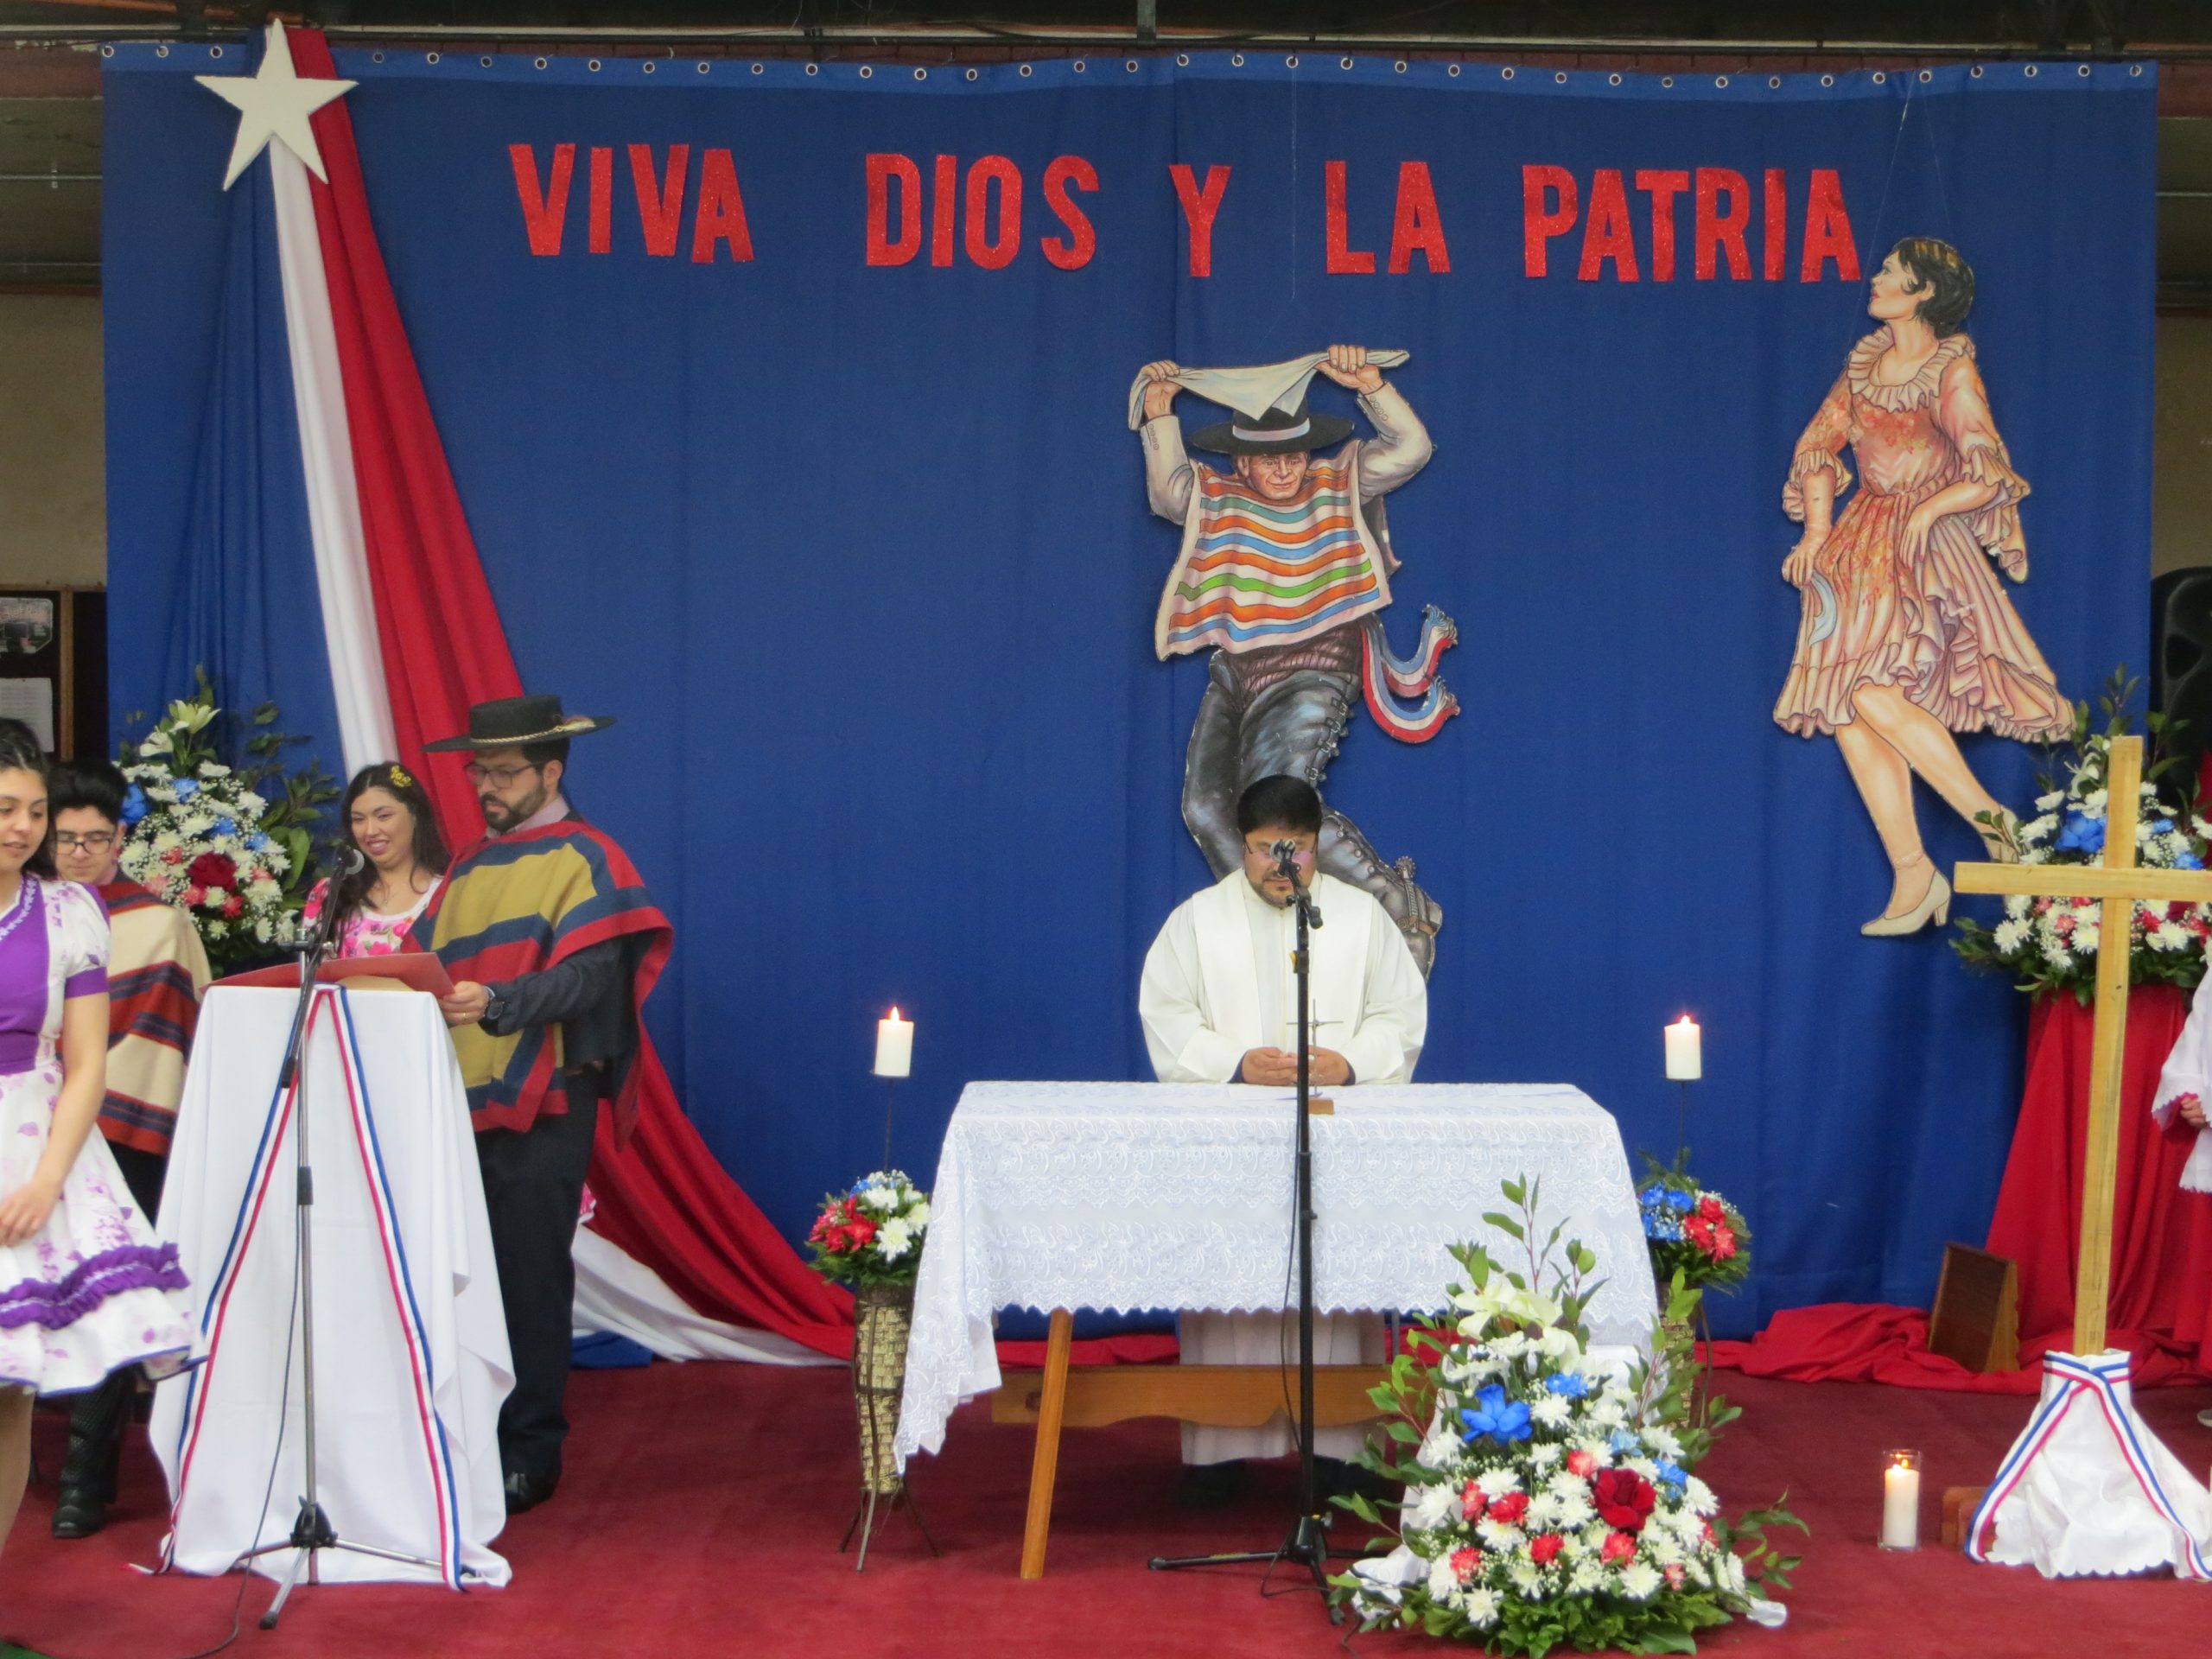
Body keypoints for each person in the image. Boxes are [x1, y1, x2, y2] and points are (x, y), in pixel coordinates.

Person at [410, 695, 671, 1515]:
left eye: (503, 772)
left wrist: (497, 1002)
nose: (487, 786)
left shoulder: (591, 856)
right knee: (461, 1277)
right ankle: (464, 1436)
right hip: (457, 1099)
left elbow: (588, 981)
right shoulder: (466, 865)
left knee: (528, 1276)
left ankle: (530, 1449)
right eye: (479, 771)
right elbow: (423, 963)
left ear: (550, 772)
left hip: (548, 1097)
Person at [1137, 773, 1427, 1507]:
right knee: (1231, 1284)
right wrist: (1233, 1062)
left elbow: (1399, 1016)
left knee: (1332, 1284)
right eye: (1266, 850)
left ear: (1316, 843)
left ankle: (1340, 1454)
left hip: (1334, 1147)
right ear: (1243, 845)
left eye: (1293, 849)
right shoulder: (1197, 922)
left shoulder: (1360, 919)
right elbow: (1167, 1016)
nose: (1280, 866)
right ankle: (1220, 1452)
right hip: (1229, 1155)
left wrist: (1349, 1061)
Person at [1775, 237, 2070, 936]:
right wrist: (1815, 534)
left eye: (1891, 274)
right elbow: (1817, 445)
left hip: (1923, 549)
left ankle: (1994, 824)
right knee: (1848, 709)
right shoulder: (1864, 365)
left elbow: (1986, 467)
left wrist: (1930, 510)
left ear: (1924, 291)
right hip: (1857, 547)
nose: (1876, 281)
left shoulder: (1951, 370)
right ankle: (1914, 874)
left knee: (1871, 692)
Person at [1137, 345, 1446, 972]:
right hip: (1238, 668)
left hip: (1314, 660)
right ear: (1242, 462)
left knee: (1277, 802)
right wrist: (1160, 413)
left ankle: (1396, 903)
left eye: (1294, 455)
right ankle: (1268, 931)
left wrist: (1371, 387)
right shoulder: (1217, 496)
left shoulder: (1338, 483)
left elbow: (1412, 448)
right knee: (1206, 807)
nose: (1283, 470)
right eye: (1267, 458)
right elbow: (1170, 495)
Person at [0, 721, 193, 1559]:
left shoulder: (70, 912)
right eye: (5, 809)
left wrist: (46, 1180)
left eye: (35, 811)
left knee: (9, 1396)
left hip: (35, 1149)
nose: (23, 828)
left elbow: (85, 1064)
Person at [44, 760, 211, 1538]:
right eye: (65, 838)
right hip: (29, 1123)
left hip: (124, 1129)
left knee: (110, 1294)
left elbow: (181, 1031)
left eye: (94, 839)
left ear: (120, 839)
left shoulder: (159, 924)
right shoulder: (26, 917)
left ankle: (85, 1480)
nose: (79, 853)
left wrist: (92, 1099)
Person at [301, 762, 448, 959]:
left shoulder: (448, 892)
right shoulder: (332, 894)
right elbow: (314, 972)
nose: (370, 831)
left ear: (415, 815)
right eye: (359, 819)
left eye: (383, 816)